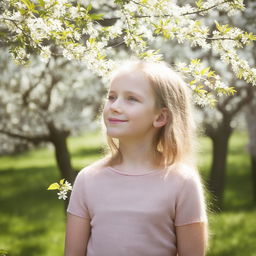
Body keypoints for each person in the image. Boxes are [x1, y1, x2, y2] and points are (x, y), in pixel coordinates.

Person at [64, 60, 208, 256]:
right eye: (112, 97)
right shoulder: (87, 179)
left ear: (160, 117)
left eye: (131, 99)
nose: (114, 106)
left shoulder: (182, 182)